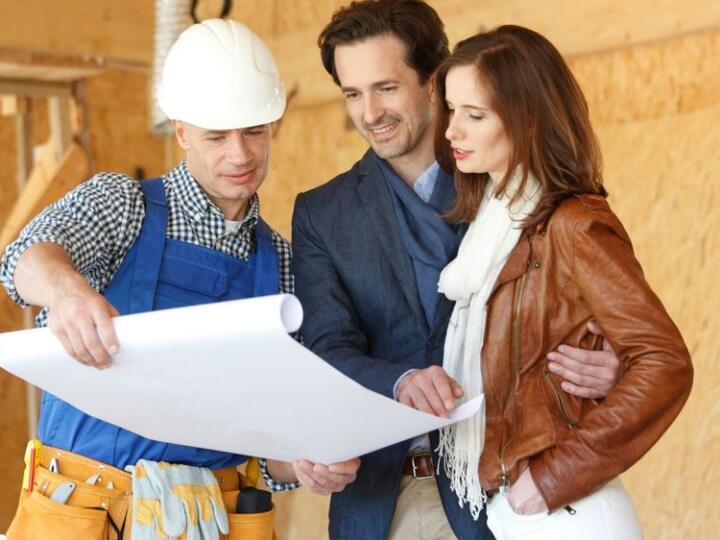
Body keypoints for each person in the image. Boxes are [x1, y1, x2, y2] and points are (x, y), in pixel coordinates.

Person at [0, 19, 358, 539]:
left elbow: (270, 440)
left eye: (254, 131)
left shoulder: (283, 265)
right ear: (181, 131)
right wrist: (67, 291)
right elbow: (22, 261)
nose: (240, 154)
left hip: (215, 520)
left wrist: (303, 464)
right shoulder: (122, 207)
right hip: (88, 514)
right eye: (217, 136)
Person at [289, 1, 625, 539]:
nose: (370, 111)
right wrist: (399, 382)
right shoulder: (322, 214)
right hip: (383, 500)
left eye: (387, 87)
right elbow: (327, 350)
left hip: (510, 497)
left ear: (434, 82)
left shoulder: (517, 187)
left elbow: (600, 325)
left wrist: (614, 369)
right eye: (353, 93)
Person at [431, 24, 692, 539]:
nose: (451, 131)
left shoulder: (574, 225)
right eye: (452, 110)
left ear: (525, 121)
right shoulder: (490, 228)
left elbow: (665, 363)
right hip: (512, 508)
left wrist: (553, 478)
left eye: (474, 116)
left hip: (566, 510)